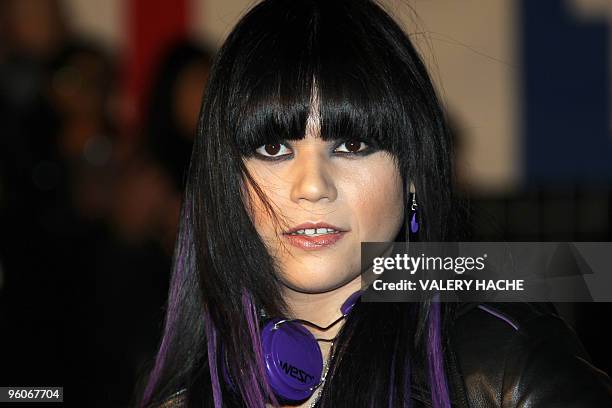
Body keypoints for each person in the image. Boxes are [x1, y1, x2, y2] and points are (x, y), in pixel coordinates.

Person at [136, 1, 612, 407]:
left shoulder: (505, 361)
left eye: (353, 145)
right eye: (274, 149)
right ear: (225, 181)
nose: (312, 186)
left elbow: (572, 270)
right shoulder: (181, 391)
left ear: (412, 172)